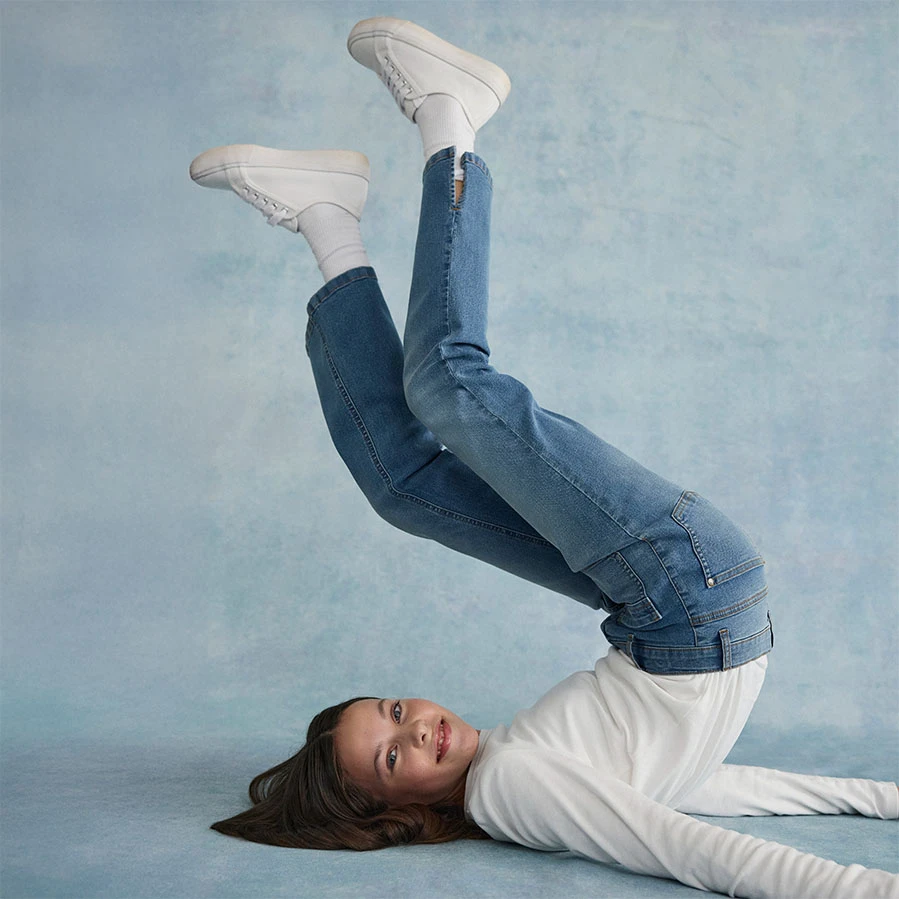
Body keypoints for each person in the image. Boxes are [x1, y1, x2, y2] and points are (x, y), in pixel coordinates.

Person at [191, 17, 899, 899]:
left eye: (395, 711)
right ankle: (450, 116)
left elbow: (697, 785)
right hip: (684, 595)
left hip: (682, 605)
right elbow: (684, 843)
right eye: (393, 756)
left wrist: (880, 798)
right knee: (450, 380)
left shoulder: (511, 765)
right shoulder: (514, 788)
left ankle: (329, 222)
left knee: (403, 485)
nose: (418, 729)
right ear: (391, 812)